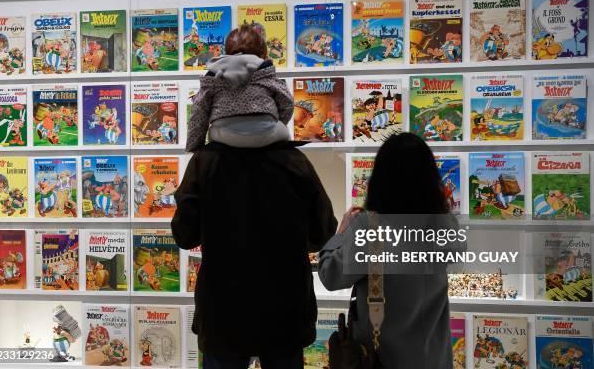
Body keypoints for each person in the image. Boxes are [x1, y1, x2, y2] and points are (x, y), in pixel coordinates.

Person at [173, 143, 337, 366]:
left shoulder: (204, 162)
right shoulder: (294, 160)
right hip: (285, 310)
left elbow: (185, 235)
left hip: (222, 311)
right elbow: (322, 232)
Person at [318, 133, 457, 368]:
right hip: (431, 357)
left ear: (380, 178)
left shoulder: (371, 228)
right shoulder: (444, 225)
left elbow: (330, 275)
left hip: (381, 359)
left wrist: (340, 234)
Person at [186, 24, 293, 152]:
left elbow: (199, 112)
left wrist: (195, 146)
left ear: (228, 51)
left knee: (214, 131)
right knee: (284, 132)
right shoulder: (264, 70)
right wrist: (275, 121)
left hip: (224, 137)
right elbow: (287, 102)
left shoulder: (214, 75)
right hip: (266, 135)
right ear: (262, 52)